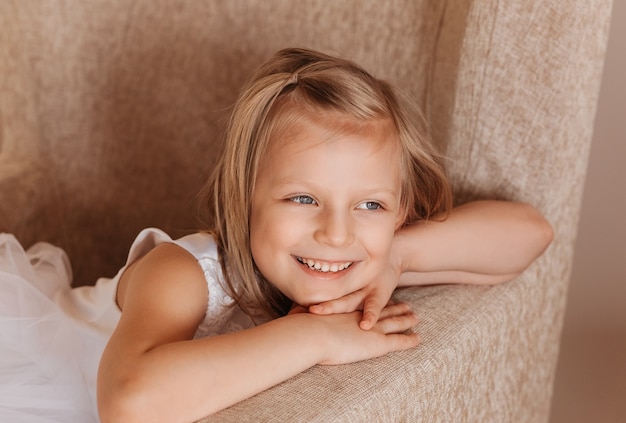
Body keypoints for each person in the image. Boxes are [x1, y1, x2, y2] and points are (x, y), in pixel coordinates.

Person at [0, 47, 554, 423]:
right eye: (302, 199)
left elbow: (529, 234)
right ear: (244, 200)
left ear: (398, 209)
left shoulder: (368, 250)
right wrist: (314, 338)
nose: (336, 233)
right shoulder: (184, 271)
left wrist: (400, 254)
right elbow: (127, 402)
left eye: (370, 205)